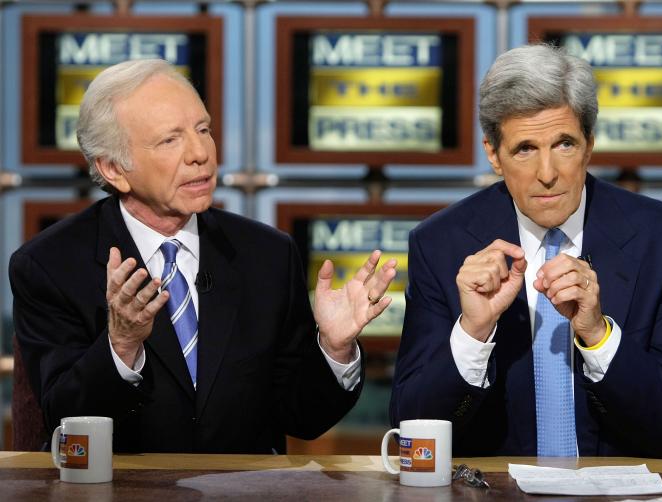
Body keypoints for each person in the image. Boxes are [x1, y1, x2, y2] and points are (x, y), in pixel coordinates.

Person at [10, 59, 397, 454]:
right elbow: (64, 419)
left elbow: (303, 417)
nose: (200, 153)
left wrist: (334, 349)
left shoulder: (267, 255)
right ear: (114, 169)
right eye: (169, 140)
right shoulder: (50, 265)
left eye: (203, 129)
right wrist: (122, 345)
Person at [389, 44, 662, 457]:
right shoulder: (439, 245)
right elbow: (411, 433)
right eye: (525, 149)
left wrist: (598, 335)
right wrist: (472, 333)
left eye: (564, 144)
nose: (548, 174)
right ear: (493, 154)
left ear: (590, 144)